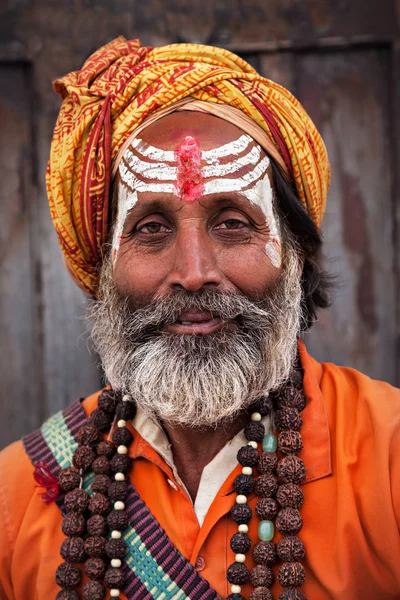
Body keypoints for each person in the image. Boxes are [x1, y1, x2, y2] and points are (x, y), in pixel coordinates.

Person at [0, 37, 399, 600]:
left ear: (296, 252)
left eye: (233, 223)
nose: (193, 272)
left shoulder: (388, 459)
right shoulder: (19, 496)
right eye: (151, 228)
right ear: (103, 266)